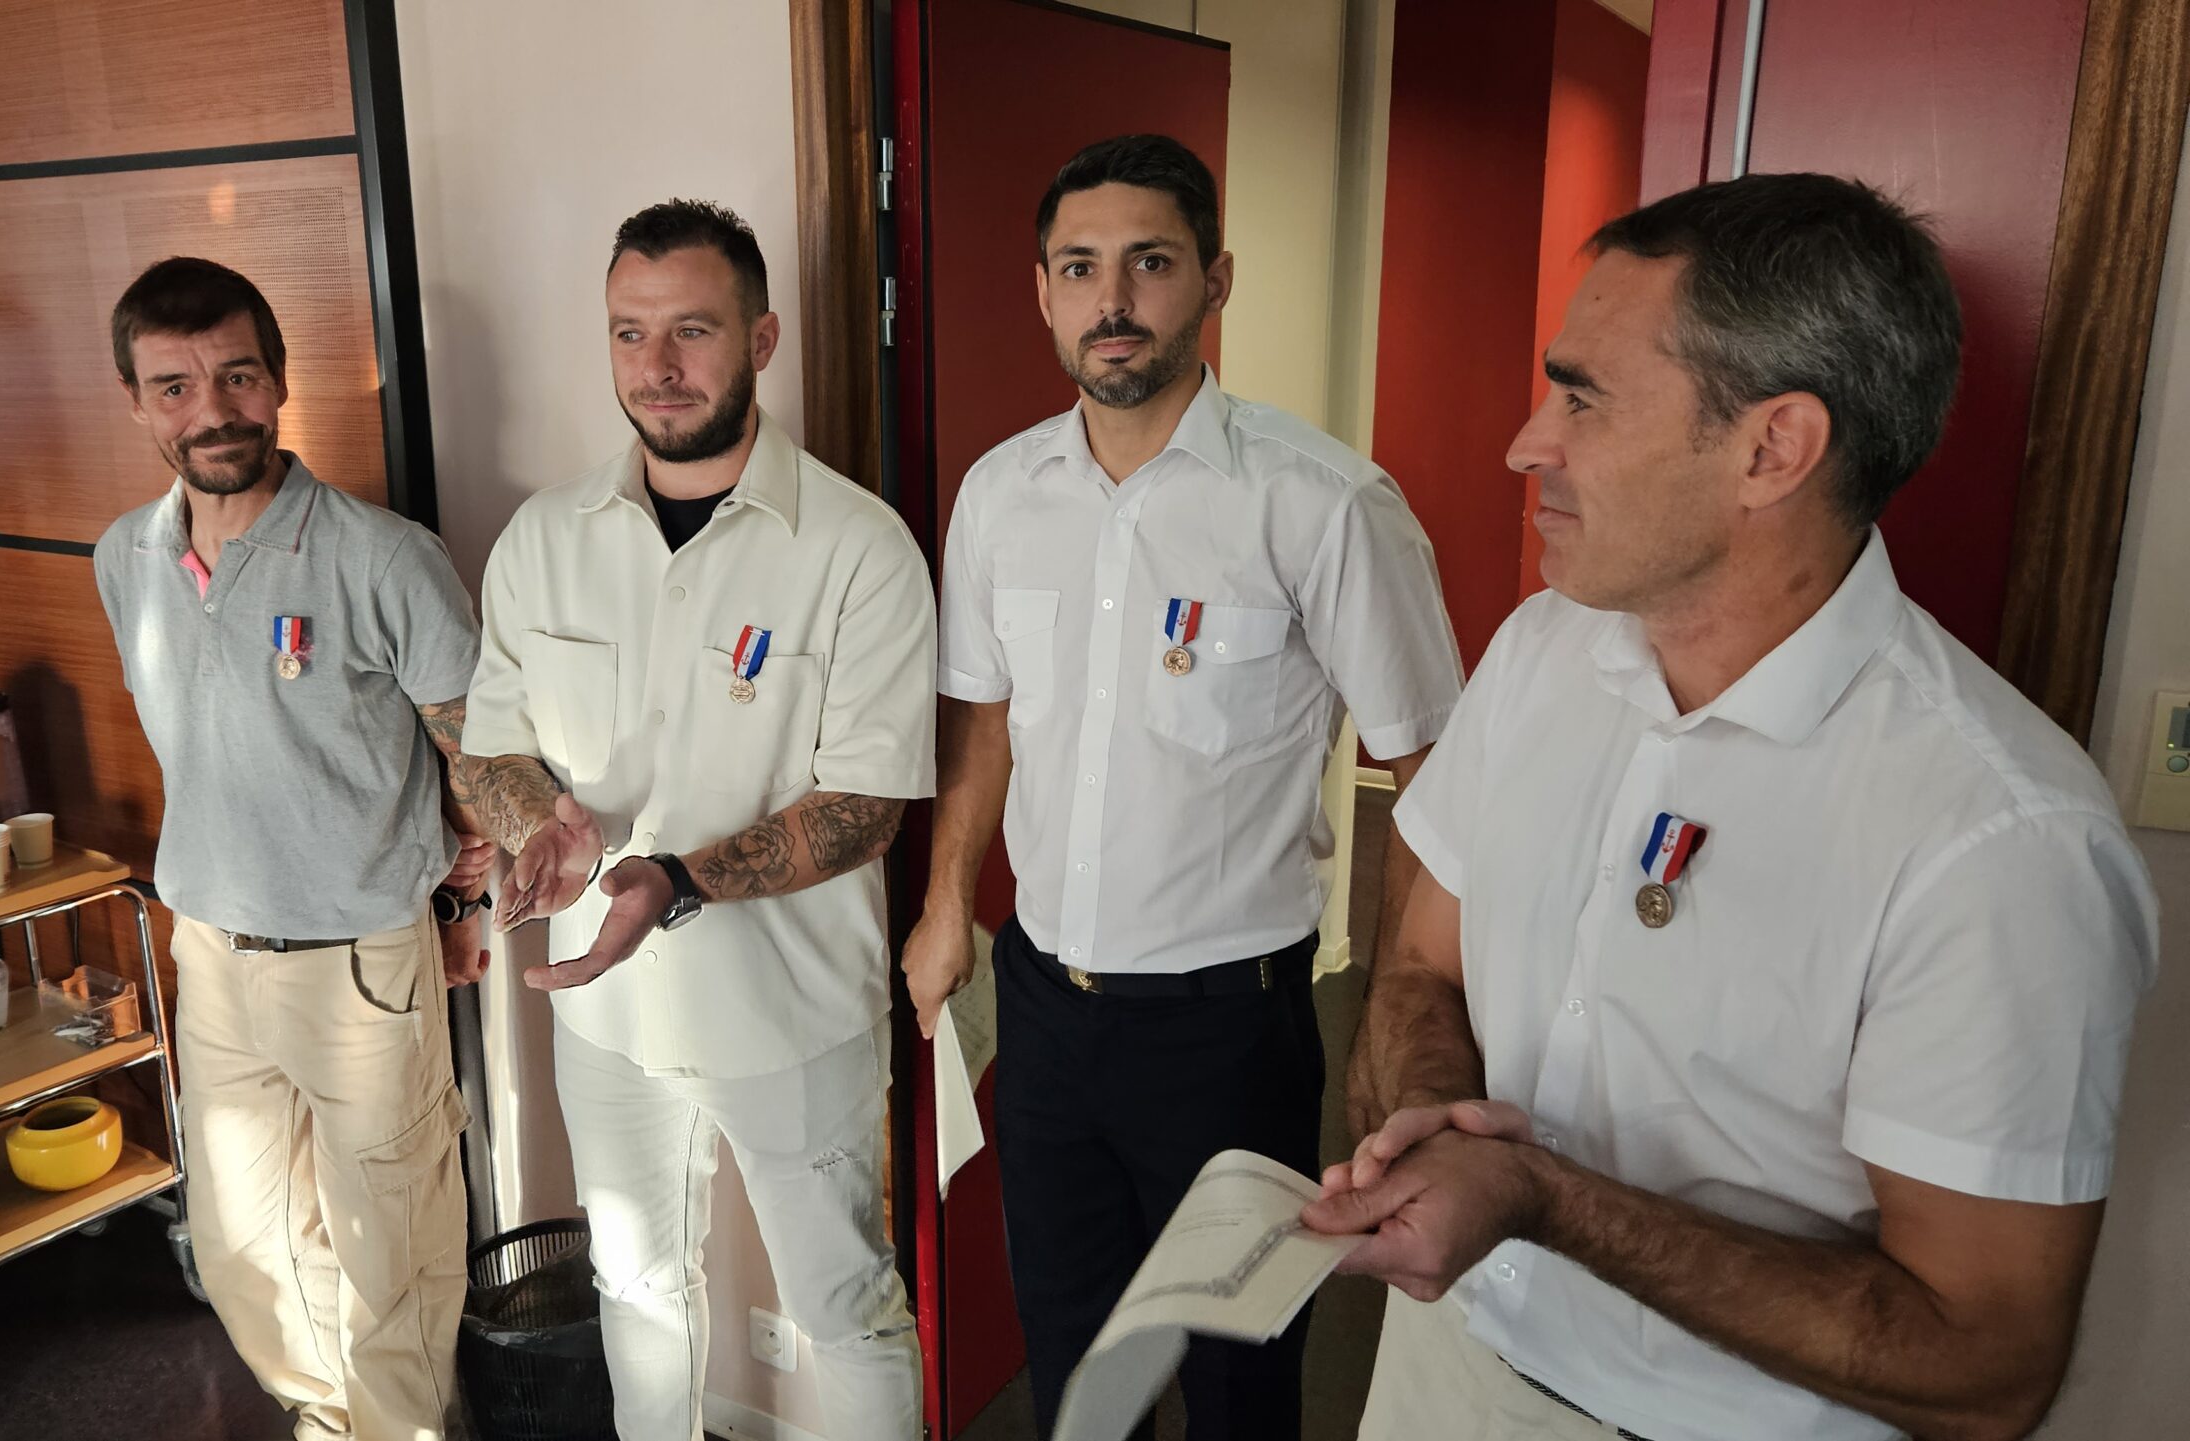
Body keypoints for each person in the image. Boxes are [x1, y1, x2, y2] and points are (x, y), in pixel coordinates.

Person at [1310, 173, 2158, 1441]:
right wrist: (1437, 1127)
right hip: (1446, 1364)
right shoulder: (1546, 646)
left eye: (1582, 398)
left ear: (1772, 449)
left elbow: (1982, 1363)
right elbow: (1425, 959)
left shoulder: (2001, 840)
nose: (1526, 443)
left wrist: (1541, 1196)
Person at [904, 134, 1464, 1440]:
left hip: (1226, 1030)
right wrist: (945, 903)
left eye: (1148, 264)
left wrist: (1401, 1011)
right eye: (1080, 268)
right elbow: (984, 718)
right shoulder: (999, 496)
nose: (1113, 300)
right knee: (1073, 1358)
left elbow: (1434, 777)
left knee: (1239, 1375)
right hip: (1044, 1010)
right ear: (1042, 292)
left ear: (1213, 281)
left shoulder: (1322, 505)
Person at [460, 200, 933, 1441]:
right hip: (606, 1022)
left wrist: (670, 876)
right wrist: (535, 826)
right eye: (629, 334)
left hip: (794, 1013)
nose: (657, 368)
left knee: (848, 1307)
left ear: (761, 338)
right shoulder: (542, 541)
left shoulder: (855, 547)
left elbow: (864, 805)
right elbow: (494, 745)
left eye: (692, 332)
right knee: (637, 1287)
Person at [92, 257, 492, 1441]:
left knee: (394, 1256)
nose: (210, 410)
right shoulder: (128, 557)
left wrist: (463, 907)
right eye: (173, 387)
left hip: (359, 962)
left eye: (235, 376)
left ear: (278, 383)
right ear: (136, 401)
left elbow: (473, 755)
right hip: (211, 952)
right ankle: (333, 1422)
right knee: (242, 1248)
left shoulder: (383, 556)